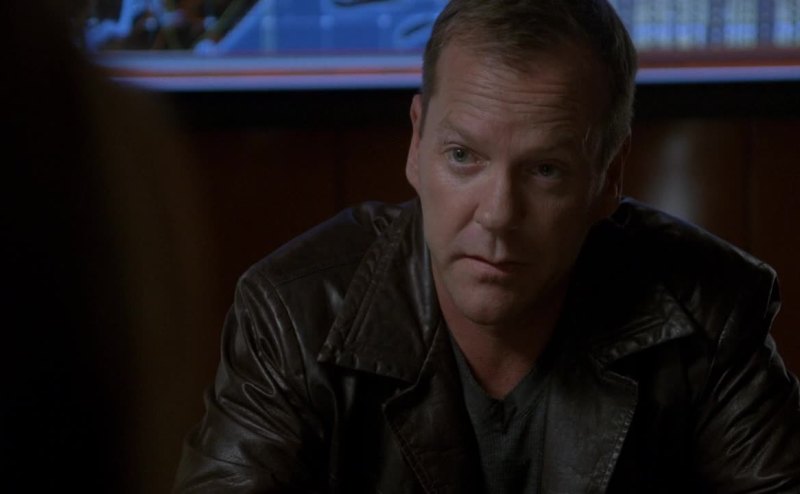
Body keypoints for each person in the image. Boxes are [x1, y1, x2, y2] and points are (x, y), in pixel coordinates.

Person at [173, 0, 800, 492]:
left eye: (545, 170)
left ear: (608, 175)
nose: (498, 215)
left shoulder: (708, 312)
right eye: (463, 156)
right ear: (416, 145)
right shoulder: (295, 316)